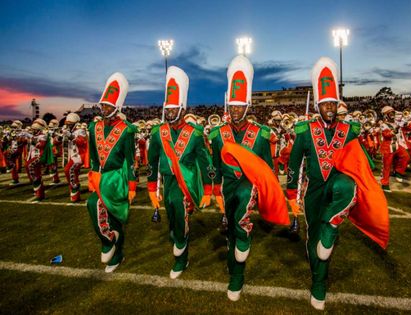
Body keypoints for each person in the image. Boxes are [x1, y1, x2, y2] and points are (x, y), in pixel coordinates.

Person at [286, 57, 389, 310]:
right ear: (318, 105)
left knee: (344, 188)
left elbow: (362, 161)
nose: (330, 108)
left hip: (338, 187)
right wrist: (291, 193)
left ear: (337, 103)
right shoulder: (303, 130)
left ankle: (331, 230)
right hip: (313, 191)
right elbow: (293, 164)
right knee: (313, 238)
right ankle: (317, 278)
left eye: (333, 103)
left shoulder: (351, 128)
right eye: (325, 104)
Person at [208, 55, 289, 302]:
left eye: (239, 106)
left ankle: (237, 277)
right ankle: (235, 268)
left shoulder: (261, 134)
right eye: (231, 106)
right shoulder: (217, 133)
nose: (234, 110)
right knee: (231, 228)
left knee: (241, 219)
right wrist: (212, 189)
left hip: (248, 190)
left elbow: (267, 168)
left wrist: (270, 193)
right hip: (227, 190)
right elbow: (215, 165)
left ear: (247, 106)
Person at [147, 66, 212, 279]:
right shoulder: (158, 133)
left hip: (187, 180)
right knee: (172, 215)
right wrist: (150, 186)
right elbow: (152, 161)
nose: (170, 112)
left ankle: (181, 257)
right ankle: (177, 239)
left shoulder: (194, 133)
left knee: (178, 207)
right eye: (168, 109)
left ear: (183, 110)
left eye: (175, 109)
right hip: (167, 180)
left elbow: (205, 162)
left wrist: (210, 188)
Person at [87, 72, 137, 273]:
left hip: (117, 178)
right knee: (98, 208)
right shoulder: (93, 126)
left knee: (109, 213)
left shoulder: (127, 130)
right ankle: (111, 242)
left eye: (108, 105)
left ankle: (114, 250)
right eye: (103, 105)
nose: (104, 108)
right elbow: (92, 155)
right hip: (100, 177)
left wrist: (132, 186)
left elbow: (131, 161)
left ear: (117, 108)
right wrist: (91, 177)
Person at [379, 106, 410, 191]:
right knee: (386, 167)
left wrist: (406, 122)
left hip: (396, 145)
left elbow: (410, 128)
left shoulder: (396, 122)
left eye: (393, 113)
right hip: (387, 147)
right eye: (390, 113)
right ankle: (384, 184)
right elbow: (387, 135)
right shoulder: (383, 125)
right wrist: (396, 129)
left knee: (406, 156)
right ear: (386, 116)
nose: (393, 115)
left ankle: (398, 172)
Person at [26, 119, 54, 200]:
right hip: (33, 156)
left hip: (40, 156)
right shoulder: (34, 136)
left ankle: (36, 183)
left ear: (39, 129)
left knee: (29, 166)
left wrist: (31, 139)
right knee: (37, 173)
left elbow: (40, 145)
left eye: (34, 129)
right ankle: (39, 193)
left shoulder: (43, 136)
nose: (33, 131)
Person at [63, 113, 88, 202]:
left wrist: (70, 136)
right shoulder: (69, 130)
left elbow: (82, 142)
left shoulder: (80, 130)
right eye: (67, 124)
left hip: (79, 155)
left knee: (68, 170)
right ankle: (75, 193)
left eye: (70, 124)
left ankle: (75, 186)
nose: (68, 125)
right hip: (71, 155)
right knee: (72, 172)